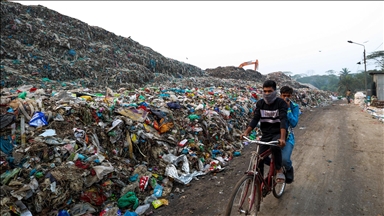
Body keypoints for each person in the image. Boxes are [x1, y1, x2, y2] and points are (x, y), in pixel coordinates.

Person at [241, 80, 288, 183]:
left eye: (270, 91)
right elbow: (255, 119)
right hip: (266, 133)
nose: (267, 94)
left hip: (278, 133)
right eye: (265, 91)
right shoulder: (260, 103)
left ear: (275, 91)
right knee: (259, 158)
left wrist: (282, 138)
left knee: (275, 147)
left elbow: (283, 120)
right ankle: (259, 183)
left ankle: (278, 169)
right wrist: (246, 132)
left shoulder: (281, 103)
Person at [279, 86, 300, 184]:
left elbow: (294, 123)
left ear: (291, 96)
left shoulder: (294, 106)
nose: (285, 98)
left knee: (284, 159)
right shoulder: (275, 104)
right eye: (284, 96)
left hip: (288, 137)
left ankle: (288, 168)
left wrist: (288, 109)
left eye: (288, 96)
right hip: (274, 135)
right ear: (280, 95)